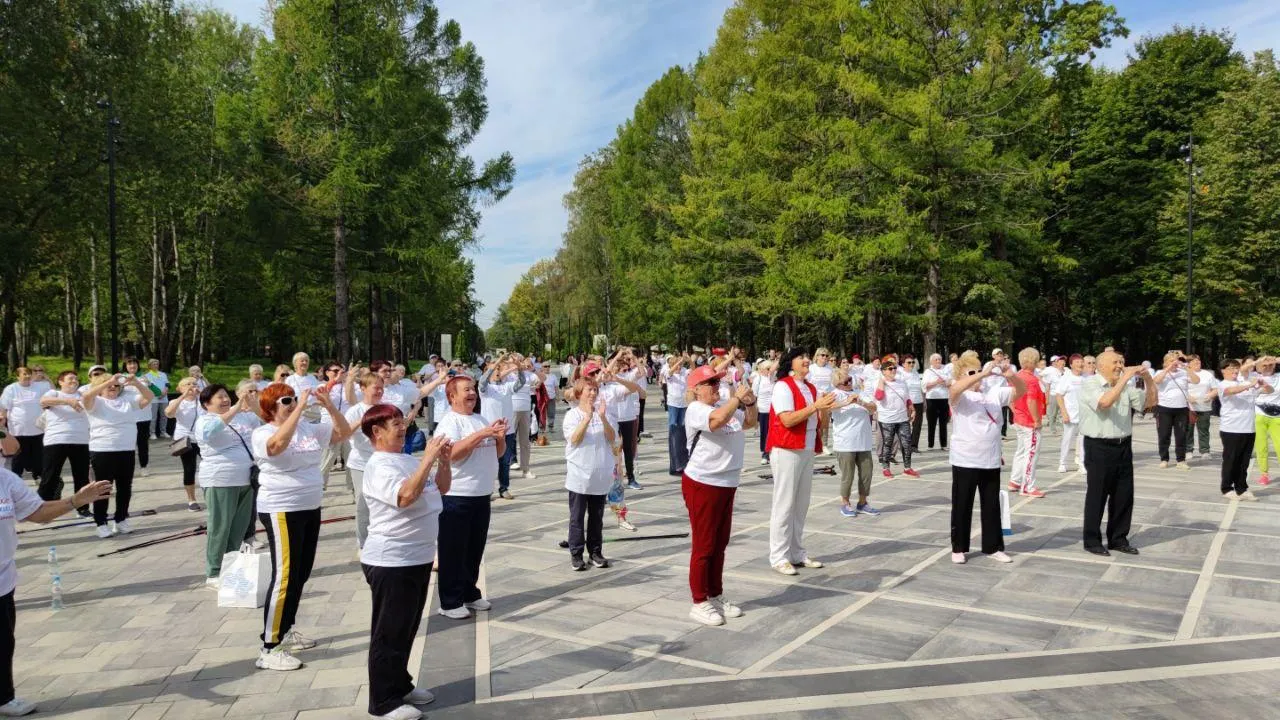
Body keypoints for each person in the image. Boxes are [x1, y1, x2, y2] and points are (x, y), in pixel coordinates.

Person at [251, 382, 353, 672]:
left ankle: (286, 629)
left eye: (294, 398)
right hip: (281, 508)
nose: (293, 403)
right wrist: (297, 412)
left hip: (309, 506)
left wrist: (329, 406)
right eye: (286, 400)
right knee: (284, 575)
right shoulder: (263, 432)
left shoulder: (308, 429)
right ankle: (269, 646)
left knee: (301, 573)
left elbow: (343, 433)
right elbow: (276, 446)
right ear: (271, 407)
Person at [359, 404, 451, 720]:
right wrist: (427, 458)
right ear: (377, 432)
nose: (403, 427)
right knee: (389, 631)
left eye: (403, 421)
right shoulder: (379, 466)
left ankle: (400, 685)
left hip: (418, 556)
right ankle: (383, 701)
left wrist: (443, 462)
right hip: (392, 559)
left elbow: (440, 488)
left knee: (407, 627)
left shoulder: (406, 459)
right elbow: (404, 497)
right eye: (395, 423)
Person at [0, 469, 111, 717]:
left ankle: (3, 697)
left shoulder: (5, 480)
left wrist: (76, 501)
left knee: (3, 642)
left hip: (2, 579)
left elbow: (38, 513)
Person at [683, 364, 755, 626]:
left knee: (720, 542)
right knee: (704, 544)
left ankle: (715, 592)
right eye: (710, 383)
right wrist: (736, 398)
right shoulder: (696, 410)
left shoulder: (726, 404)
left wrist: (750, 402)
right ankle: (699, 599)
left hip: (727, 481)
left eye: (717, 382)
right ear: (696, 389)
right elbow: (716, 422)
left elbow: (750, 422)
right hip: (703, 481)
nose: (716, 387)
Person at [432, 375, 505, 620]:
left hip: (482, 494)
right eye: (466, 390)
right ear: (452, 396)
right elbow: (452, 454)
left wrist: (499, 437)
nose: (472, 393)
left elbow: (498, 452)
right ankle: (449, 601)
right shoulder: (449, 422)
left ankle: (469, 593)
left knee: (474, 548)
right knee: (453, 550)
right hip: (457, 495)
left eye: (473, 389)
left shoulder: (479, 418)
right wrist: (481, 434)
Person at [947, 351, 1024, 564]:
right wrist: (981, 375)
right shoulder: (960, 396)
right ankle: (959, 547)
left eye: (979, 369)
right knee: (962, 504)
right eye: (971, 372)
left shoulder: (993, 394)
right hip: (965, 459)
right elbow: (955, 389)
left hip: (989, 458)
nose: (979, 374)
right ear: (961, 375)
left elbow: (1021, 391)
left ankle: (992, 546)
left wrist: (1010, 375)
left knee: (991, 505)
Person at [766, 347, 836, 576]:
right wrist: (816, 406)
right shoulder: (783, 385)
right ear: (790, 363)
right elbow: (786, 420)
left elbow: (821, 424)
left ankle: (796, 552)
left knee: (801, 504)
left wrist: (826, 407)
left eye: (807, 357)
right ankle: (778, 556)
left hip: (806, 449)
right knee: (784, 504)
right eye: (802, 358)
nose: (807, 360)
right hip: (787, 448)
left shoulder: (811, 387)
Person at [1078, 351, 1155, 557]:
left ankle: (1118, 539)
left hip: (1123, 445)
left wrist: (1148, 380)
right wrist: (1126, 379)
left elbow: (1149, 405)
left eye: (1122, 361)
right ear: (1101, 366)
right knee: (1098, 494)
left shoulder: (1126, 386)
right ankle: (1092, 540)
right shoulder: (1090, 384)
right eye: (1115, 362)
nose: (1120, 366)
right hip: (1099, 446)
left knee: (1124, 495)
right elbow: (1104, 403)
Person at [194, 384, 258, 587]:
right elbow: (211, 432)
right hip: (220, 480)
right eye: (219, 397)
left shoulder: (242, 417)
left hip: (246, 478)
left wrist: (251, 401)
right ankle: (213, 572)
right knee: (220, 526)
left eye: (226, 396)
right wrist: (236, 408)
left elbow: (266, 418)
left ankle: (230, 566)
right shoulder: (204, 421)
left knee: (238, 527)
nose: (225, 400)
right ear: (206, 404)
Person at [82, 372, 154, 538]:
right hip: (102, 450)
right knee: (104, 488)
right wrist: (107, 381)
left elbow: (148, 397)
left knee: (125, 487)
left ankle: (121, 520)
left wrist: (135, 382)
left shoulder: (126, 401)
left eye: (115, 385)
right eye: (109, 385)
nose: (112, 387)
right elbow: (86, 396)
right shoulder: (96, 401)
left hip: (126, 449)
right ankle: (101, 522)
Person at [562, 375, 617, 571]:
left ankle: (595, 551)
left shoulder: (605, 414)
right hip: (579, 476)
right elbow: (574, 439)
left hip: (600, 476)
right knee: (577, 517)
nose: (593, 393)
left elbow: (612, 439)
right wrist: (586, 418)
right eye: (589, 390)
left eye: (595, 390)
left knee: (597, 517)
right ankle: (576, 554)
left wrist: (601, 417)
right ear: (579, 394)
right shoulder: (572, 415)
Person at [344, 372, 387, 549]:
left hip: (383, 462)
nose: (379, 391)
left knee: (384, 502)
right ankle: (364, 544)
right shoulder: (355, 410)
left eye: (382, 388)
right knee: (364, 505)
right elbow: (344, 433)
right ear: (363, 388)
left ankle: (381, 538)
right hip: (361, 463)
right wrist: (363, 420)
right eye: (376, 388)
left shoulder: (386, 408)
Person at [830, 369, 878, 518]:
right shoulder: (834, 394)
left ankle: (863, 502)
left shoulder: (860, 393)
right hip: (845, 443)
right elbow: (827, 408)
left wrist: (861, 402)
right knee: (848, 475)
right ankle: (845, 503)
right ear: (838, 383)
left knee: (866, 473)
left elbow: (873, 408)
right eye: (846, 381)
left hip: (863, 442)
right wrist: (846, 401)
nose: (849, 383)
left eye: (850, 379)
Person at [1218, 359, 1267, 501]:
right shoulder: (1223, 384)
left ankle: (1242, 488)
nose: (1234, 371)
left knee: (1244, 461)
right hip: (1231, 428)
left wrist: (1261, 385)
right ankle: (1226, 488)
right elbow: (1231, 391)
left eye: (1236, 368)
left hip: (1249, 428)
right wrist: (1250, 385)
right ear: (1223, 370)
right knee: (1231, 460)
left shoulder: (1244, 383)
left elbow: (1265, 390)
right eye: (1231, 368)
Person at [38, 371, 90, 504]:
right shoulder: (54, 393)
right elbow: (43, 401)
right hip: (56, 440)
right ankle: (43, 508)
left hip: (81, 440)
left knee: (82, 477)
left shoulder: (83, 395)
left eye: (76, 379)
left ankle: (82, 508)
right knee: (50, 476)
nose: (74, 380)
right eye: (71, 378)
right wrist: (68, 401)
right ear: (61, 382)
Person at [600, 351, 644, 490]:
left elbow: (641, 373)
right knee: (614, 450)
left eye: (623, 365)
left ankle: (631, 478)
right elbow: (606, 369)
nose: (621, 367)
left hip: (628, 416)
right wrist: (617, 356)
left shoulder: (626, 377)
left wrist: (634, 358)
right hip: (613, 420)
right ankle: (613, 480)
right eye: (617, 364)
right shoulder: (605, 382)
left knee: (628, 449)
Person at [477, 357, 519, 499]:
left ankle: (504, 488)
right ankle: (487, 489)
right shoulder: (485, 389)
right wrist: (495, 363)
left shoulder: (507, 386)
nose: (497, 372)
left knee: (504, 462)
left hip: (507, 431)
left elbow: (522, 382)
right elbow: (483, 380)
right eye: (494, 370)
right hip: (490, 431)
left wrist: (519, 369)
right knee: (488, 462)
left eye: (498, 369)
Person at [1008, 348, 1046, 498]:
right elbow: (1031, 400)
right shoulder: (1032, 380)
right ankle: (1027, 486)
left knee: (1021, 451)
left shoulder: (1017, 376)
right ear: (1034, 361)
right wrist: (1036, 420)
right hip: (1029, 421)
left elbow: (1010, 397)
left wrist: (1015, 412)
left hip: (1019, 418)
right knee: (1031, 453)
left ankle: (1015, 481)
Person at [1151, 351, 1198, 470]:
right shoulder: (1161, 372)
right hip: (1164, 408)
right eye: (1171, 361)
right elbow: (1156, 381)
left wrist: (1187, 369)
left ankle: (1181, 460)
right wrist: (1167, 369)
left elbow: (1196, 380)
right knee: (1164, 435)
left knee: (1181, 435)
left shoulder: (1183, 373)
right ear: (1165, 362)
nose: (1174, 363)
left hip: (1181, 408)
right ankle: (1164, 459)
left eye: (1176, 360)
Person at [165, 377, 205, 511]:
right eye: (188, 384)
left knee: (209, 466)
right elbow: (169, 414)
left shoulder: (203, 401)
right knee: (189, 469)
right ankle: (192, 500)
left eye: (194, 384)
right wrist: (183, 396)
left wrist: (202, 395)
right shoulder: (176, 402)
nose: (192, 386)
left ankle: (210, 495)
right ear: (180, 388)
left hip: (203, 439)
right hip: (185, 440)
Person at [0, 367, 45, 485]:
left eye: (29, 374)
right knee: (18, 455)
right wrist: (2, 422)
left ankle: (38, 476)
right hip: (18, 429)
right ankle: (17, 478)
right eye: (24, 374)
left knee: (38, 455)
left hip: (38, 429)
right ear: (17, 376)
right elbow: (4, 407)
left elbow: (51, 393)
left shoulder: (39, 387)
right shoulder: (11, 389)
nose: (27, 376)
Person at [873, 359, 917, 479]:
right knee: (888, 443)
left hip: (902, 418)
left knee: (907, 443)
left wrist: (912, 408)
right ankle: (886, 468)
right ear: (883, 371)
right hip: (887, 419)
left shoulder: (902, 382)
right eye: (890, 369)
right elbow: (879, 397)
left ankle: (907, 468)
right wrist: (882, 382)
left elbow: (907, 398)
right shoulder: (878, 383)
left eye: (894, 368)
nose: (893, 371)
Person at [1053, 354, 1086, 474]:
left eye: (1081, 362)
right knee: (1067, 439)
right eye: (1077, 362)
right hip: (1070, 415)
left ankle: (1082, 464)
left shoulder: (1086, 378)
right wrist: (1064, 413)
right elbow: (1059, 395)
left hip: (1084, 416)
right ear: (1071, 365)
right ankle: (1063, 463)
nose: (1080, 364)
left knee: (1083, 441)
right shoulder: (1066, 378)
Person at [122, 357, 154, 478]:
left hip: (143, 416)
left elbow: (156, 392)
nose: (132, 366)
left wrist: (148, 383)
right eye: (129, 364)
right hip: (126, 416)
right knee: (126, 444)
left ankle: (144, 466)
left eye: (134, 363)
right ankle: (126, 468)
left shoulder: (145, 377)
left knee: (142, 444)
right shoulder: (121, 377)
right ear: (125, 366)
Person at [1252, 356, 1280, 486]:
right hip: (1259, 414)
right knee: (1261, 446)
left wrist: (1274, 360)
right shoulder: (1253, 377)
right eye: (1264, 365)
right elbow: (1243, 368)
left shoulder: (1279, 376)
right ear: (1258, 366)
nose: (1267, 367)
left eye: (1270, 365)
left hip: (1277, 416)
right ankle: (1264, 474)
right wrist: (1259, 362)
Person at [1184, 355, 1217, 460]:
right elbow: (1180, 388)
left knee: (1204, 429)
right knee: (1188, 429)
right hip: (1189, 406)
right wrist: (1187, 397)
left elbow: (1215, 389)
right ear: (1188, 364)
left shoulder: (1207, 374)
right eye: (1194, 361)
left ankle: (1205, 451)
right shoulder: (1184, 374)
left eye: (1198, 360)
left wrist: (1211, 395)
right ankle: (1188, 450)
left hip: (1204, 406)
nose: (1197, 362)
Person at [664, 354, 692, 476]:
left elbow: (693, 369)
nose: (680, 367)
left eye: (681, 365)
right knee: (674, 430)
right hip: (673, 404)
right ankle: (674, 462)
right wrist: (678, 361)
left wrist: (689, 360)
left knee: (682, 431)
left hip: (683, 404)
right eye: (678, 365)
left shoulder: (684, 372)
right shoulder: (668, 372)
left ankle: (682, 461)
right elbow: (670, 372)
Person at [923, 354, 951, 451]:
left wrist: (945, 383)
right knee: (932, 422)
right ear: (931, 362)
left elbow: (950, 382)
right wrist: (936, 382)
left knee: (943, 422)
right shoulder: (928, 371)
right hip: (932, 398)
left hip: (944, 398)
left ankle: (943, 444)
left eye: (939, 359)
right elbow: (925, 386)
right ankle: (930, 445)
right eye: (936, 359)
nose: (938, 361)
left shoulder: (946, 369)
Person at [751, 360, 777, 465]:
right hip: (763, 409)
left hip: (774, 409)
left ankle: (772, 452)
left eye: (771, 369)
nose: (770, 371)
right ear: (762, 370)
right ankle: (765, 453)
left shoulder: (774, 379)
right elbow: (754, 394)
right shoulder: (758, 379)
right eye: (767, 369)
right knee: (765, 432)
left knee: (774, 431)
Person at [901, 355, 925, 452]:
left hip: (918, 401)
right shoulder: (901, 374)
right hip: (907, 402)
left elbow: (920, 388)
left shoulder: (915, 373)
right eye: (909, 362)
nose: (911, 364)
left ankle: (914, 445)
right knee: (905, 424)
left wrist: (924, 401)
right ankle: (905, 445)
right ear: (903, 364)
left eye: (913, 362)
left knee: (917, 425)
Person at [144, 359, 170, 439]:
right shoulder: (146, 376)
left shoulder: (163, 374)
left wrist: (164, 393)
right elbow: (147, 387)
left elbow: (167, 384)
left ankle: (163, 432)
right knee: (153, 417)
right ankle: (152, 433)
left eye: (157, 364)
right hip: (153, 399)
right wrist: (157, 394)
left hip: (164, 398)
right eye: (154, 364)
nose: (156, 365)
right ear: (150, 365)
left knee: (164, 416)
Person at [1040, 356, 1065, 433]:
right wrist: (1047, 398)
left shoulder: (1066, 371)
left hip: (1063, 395)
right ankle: (1052, 428)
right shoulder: (1050, 371)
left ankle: (1065, 427)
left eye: (1063, 361)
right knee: (1053, 413)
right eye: (1059, 361)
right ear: (1055, 362)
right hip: (1053, 395)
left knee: (1064, 412)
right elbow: (1047, 385)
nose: (1062, 363)